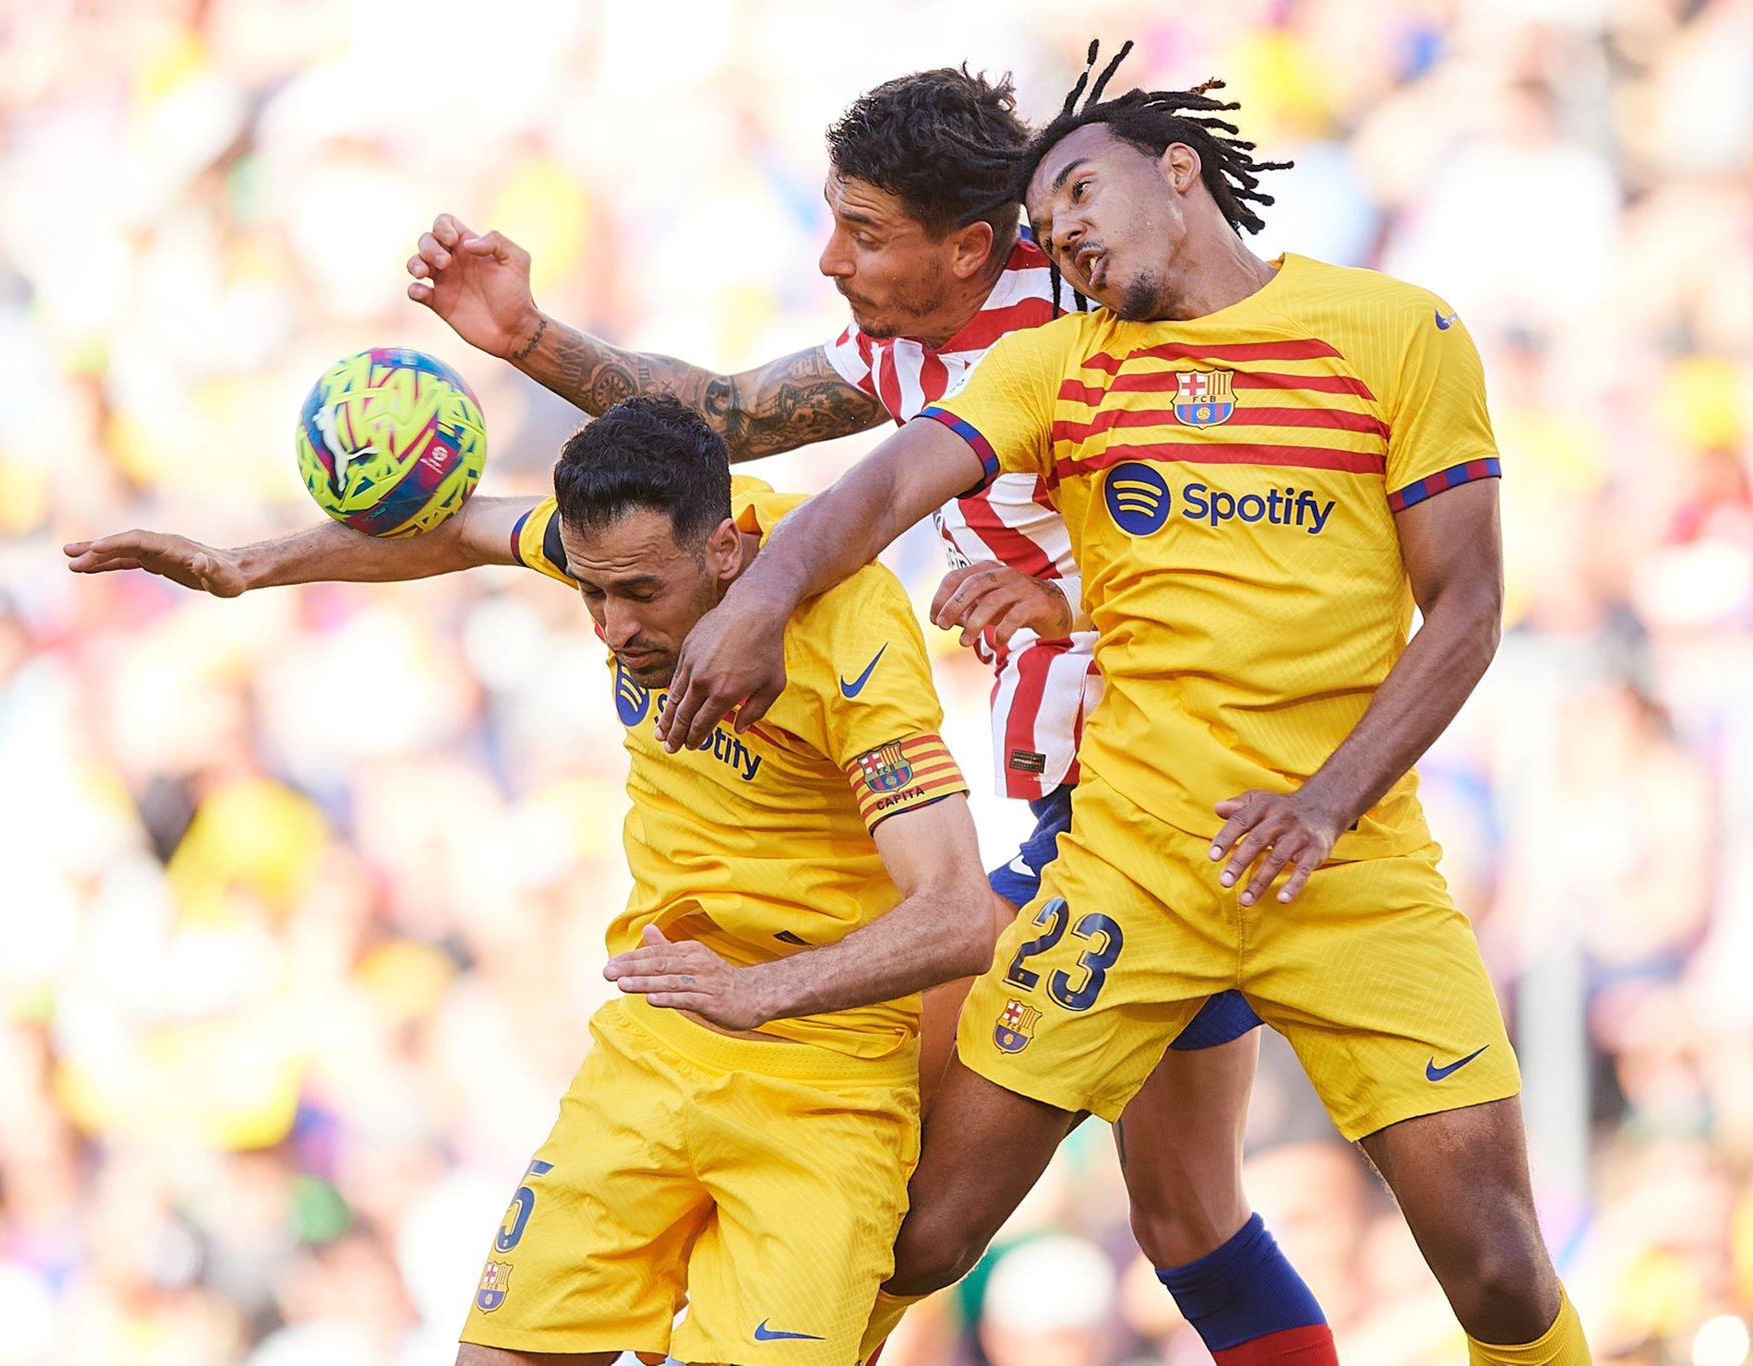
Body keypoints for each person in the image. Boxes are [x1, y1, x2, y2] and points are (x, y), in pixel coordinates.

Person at [659, 42, 1592, 1366]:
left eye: (1084, 198)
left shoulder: (1396, 331)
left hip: (1350, 864)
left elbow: (1470, 609)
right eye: (1050, 228)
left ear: (1179, 166)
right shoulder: (1061, 365)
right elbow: (875, 491)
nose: (1072, 238)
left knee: (1496, 1269)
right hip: (1129, 868)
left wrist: (1326, 805)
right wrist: (758, 601)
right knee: (933, 1236)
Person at [405, 66, 1331, 1360]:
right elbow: (719, 414)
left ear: (967, 247)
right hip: (1100, 801)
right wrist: (529, 337)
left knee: (922, 1227)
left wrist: (1071, 608)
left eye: (864, 230)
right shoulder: (908, 337)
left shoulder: (1104, 302)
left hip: (1155, 808)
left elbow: (1263, 504)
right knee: (1185, 1213)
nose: (829, 255)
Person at [66, 396, 1000, 1366]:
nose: (610, 627)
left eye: (638, 592)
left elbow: (954, 917)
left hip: (824, 1082)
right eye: (592, 593)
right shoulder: (619, 544)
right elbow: (458, 533)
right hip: (655, 1044)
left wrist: (756, 990)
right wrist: (247, 568)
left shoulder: (851, 632)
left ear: (725, 550)